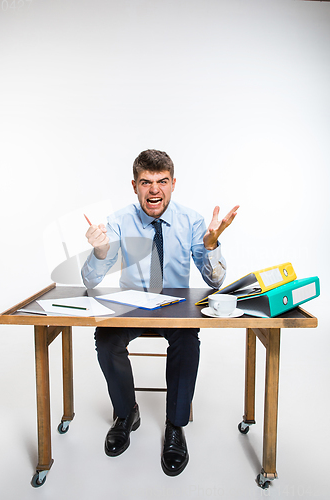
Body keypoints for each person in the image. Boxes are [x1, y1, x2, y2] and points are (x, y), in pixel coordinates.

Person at [81, 149, 239, 476]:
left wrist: (211, 246)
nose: (154, 189)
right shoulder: (119, 221)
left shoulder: (192, 221)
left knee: (187, 343)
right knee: (106, 341)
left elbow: (216, 280)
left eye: (162, 181)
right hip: (132, 306)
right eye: (146, 182)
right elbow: (91, 282)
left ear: (173, 183)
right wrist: (99, 251)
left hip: (176, 308)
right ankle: (126, 413)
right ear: (135, 186)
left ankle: (175, 427)